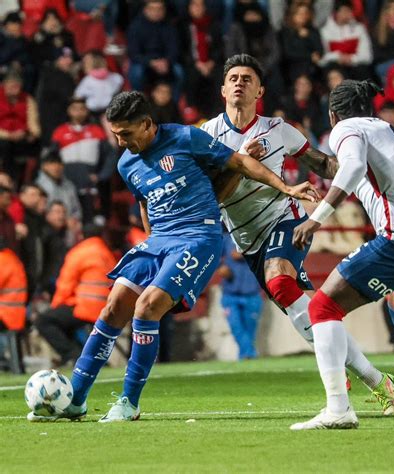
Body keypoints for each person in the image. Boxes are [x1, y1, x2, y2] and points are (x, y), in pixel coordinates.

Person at [26, 90, 315, 422]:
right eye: (116, 134)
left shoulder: (186, 137)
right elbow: (144, 201)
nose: (120, 142)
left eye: (126, 134)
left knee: (147, 307)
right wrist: (151, 242)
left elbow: (239, 162)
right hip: (159, 240)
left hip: (199, 237)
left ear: (147, 124)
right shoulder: (126, 163)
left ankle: (129, 402)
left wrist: (287, 187)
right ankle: (75, 399)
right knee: (113, 306)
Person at [201, 54, 394, 415]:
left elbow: (323, 163)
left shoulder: (279, 129)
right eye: (232, 77)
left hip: (285, 220)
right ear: (222, 88)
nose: (239, 82)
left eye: (247, 78)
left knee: (280, 284)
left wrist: (366, 168)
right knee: (315, 316)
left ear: (259, 90)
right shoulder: (207, 135)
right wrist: (243, 160)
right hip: (247, 241)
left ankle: (341, 397)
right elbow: (212, 196)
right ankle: (377, 381)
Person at [291, 79, 394, 430]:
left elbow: (351, 169)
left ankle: (338, 408)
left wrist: (316, 219)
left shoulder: (346, 129)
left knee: (323, 308)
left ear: (333, 114)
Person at [35, 223, 117, 367]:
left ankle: (74, 356)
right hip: (107, 309)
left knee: (44, 321)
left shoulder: (79, 252)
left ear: (81, 235)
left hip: (87, 308)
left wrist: (55, 306)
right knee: (65, 323)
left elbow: (65, 284)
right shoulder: (107, 253)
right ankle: (89, 358)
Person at [218, 232, 263, 360]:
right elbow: (212, 256)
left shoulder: (257, 237)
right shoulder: (226, 239)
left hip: (252, 292)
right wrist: (220, 267)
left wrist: (244, 254)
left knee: (250, 329)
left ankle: (245, 356)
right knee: (235, 326)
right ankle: (250, 354)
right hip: (230, 293)